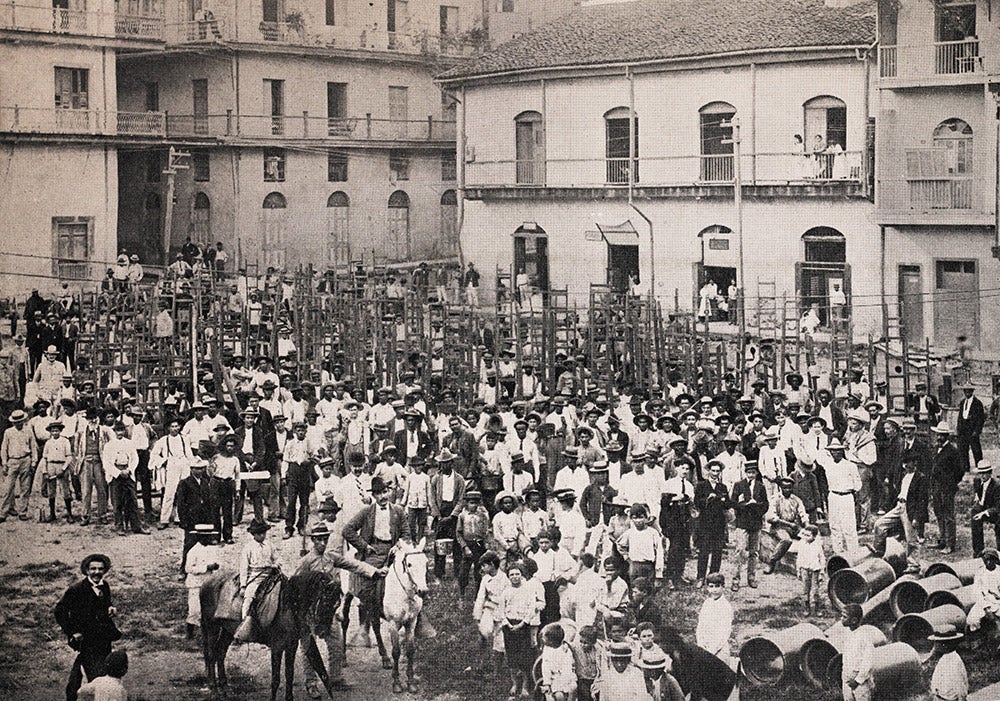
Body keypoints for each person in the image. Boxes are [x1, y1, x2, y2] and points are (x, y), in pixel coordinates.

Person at [295, 521, 384, 696]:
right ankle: (311, 682)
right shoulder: (305, 561)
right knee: (308, 647)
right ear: (313, 541)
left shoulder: (332, 557)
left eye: (325, 539)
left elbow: (353, 565)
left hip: (328, 610)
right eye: (319, 540)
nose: (322, 543)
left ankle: (335, 678)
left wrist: (374, 571)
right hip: (310, 611)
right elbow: (295, 583)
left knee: (336, 644)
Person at [54, 553, 123, 701]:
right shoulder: (77, 590)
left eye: (100, 569)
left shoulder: (104, 585)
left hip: (103, 637)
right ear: (86, 570)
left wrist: (110, 607)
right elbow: (60, 611)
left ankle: (76, 696)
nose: (97, 572)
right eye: (93, 569)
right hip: (87, 638)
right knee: (94, 672)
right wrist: (73, 632)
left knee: (91, 670)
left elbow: (105, 602)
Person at [234, 519, 282, 643]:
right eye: (259, 533)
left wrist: (275, 564)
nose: (262, 536)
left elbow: (277, 558)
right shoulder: (248, 548)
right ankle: (245, 626)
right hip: (255, 575)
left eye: (264, 533)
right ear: (253, 534)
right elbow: (243, 567)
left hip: (270, 574)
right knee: (249, 598)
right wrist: (243, 585)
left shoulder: (269, 545)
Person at [498, 561, 539, 700]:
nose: (515, 577)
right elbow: (500, 610)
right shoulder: (506, 592)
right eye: (512, 574)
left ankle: (526, 686)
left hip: (523, 626)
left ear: (522, 575)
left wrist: (522, 623)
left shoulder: (528, 591)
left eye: (517, 574)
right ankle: (515, 683)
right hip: (509, 626)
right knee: (512, 657)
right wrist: (507, 623)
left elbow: (531, 609)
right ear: (508, 577)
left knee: (524, 656)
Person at [730, 460, 768, 589]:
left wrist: (757, 506)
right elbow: (733, 503)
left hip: (755, 523)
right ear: (745, 473)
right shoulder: (738, 485)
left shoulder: (760, 486)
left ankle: (751, 577)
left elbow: (765, 505)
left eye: (753, 472)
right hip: (742, 522)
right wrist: (745, 505)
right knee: (740, 550)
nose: (751, 475)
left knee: (754, 552)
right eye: (748, 472)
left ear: (756, 473)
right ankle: (736, 579)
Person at [818, 439, 860, 554]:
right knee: (835, 525)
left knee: (849, 526)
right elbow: (818, 456)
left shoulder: (850, 465)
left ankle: (853, 553)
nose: (835, 453)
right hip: (833, 496)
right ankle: (838, 552)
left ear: (842, 451)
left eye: (837, 451)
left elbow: (858, 483)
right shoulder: (828, 465)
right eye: (832, 451)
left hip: (846, 496)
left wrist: (852, 491)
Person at [929, 421, 964, 554]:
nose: (939, 437)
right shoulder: (936, 449)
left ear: (947, 436)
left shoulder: (952, 451)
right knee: (939, 513)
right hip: (937, 487)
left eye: (942, 435)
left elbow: (960, 471)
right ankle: (942, 540)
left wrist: (950, 483)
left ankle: (950, 544)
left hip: (947, 487)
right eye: (938, 434)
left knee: (948, 515)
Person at [762, 477, 810, 574]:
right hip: (779, 527)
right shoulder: (775, 499)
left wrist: (807, 526)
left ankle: (809, 565)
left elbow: (803, 514)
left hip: (793, 526)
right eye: (784, 488)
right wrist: (788, 524)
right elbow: (771, 518)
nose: (787, 490)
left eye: (789, 488)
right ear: (780, 488)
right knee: (786, 540)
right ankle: (772, 562)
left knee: (810, 537)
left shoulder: (796, 500)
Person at [176, 458, 215, 575]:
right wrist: (184, 520)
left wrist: (210, 519)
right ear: (191, 469)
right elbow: (181, 504)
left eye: (201, 469)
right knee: (190, 544)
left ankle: (203, 568)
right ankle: (184, 569)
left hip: (204, 518)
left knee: (204, 542)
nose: (198, 471)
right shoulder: (184, 483)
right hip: (191, 519)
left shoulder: (205, 482)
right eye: (196, 469)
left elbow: (208, 502)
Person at [694, 460, 730, 586]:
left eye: (717, 471)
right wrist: (707, 499)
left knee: (717, 551)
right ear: (709, 471)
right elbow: (697, 502)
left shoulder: (723, 487)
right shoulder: (701, 485)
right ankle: (700, 577)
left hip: (719, 523)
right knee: (704, 550)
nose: (715, 473)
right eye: (713, 470)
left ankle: (713, 577)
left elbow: (727, 504)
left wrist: (722, 499)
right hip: (705, 523)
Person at [184, 524, 221, 639]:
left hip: (208, 583)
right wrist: (205, 567)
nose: (209, 539)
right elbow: (188, 568)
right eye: (205, 537)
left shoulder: (212, 549)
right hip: (195, 584)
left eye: (209, 536)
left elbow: (216, 562)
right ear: (199, 538)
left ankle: (207, 632)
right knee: (195, 609)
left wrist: (215, 566)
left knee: (209, 609)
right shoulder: (193, 551)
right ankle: (189, 633)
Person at [0, 408, 38, 522]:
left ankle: (23, 512)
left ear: (24, 421)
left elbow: (33, 447)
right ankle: (3, 512)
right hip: (12, 461)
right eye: (16, 422)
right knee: (8, 488)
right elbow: (3, 449)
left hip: (25, 460)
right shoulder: (8, 432)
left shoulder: (28, 431)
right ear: (13, 422)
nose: (18, 424)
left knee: (25, 488)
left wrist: (33, 462)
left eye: (20, 421)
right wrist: (4, 463)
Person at [457, 490, 492, 596]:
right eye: (471, 503)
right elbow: (458, 533)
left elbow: (486, 531)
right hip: (468, 545)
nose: (474, 505)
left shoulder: (482, 515)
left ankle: (478, 595)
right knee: (464, 571)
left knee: (479, 570)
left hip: (479, 545)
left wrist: (487, 545)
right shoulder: (462, 516)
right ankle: (461, 594)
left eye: (476, 503)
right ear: (466, 503)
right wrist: (465, 547)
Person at [840, 604, 874, 701]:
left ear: (854, 620)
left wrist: (858, 680)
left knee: (861, 697)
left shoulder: (864, 637)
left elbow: (868, 661)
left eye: (844, 617)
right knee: (848, 698)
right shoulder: (847, 633)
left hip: (860, 679)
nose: (841, 619)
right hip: (847, 675)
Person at [695, 573, 732, 661]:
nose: (714, 590)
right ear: (707, 587)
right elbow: (700, 625)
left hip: (719, 649)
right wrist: (701, 644)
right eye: (711, 586)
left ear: (723, 587)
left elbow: (724, 632)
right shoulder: (707, 603)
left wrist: (711, 651)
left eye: (717, 586)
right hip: (705, 646)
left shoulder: (725, 606)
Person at [966, 548, 1000, 638]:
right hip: (984, 601)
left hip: (998, 601)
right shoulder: (979, 572)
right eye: (986, 560)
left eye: (991, 559)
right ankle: (978, 641)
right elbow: (977, 592)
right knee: (972, 620)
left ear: (995, 560)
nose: (988, 562)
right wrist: (986, 608)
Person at [539, 622, 577, 701]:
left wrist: (564, 685)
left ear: (551, 641)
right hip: (554, 677)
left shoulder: (565, 651)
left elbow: (567, 670)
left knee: (573, 689)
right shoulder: (547, 649)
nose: (542, 639)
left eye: (545, 637)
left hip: (567, 677)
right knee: (559, 696)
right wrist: (547, 683)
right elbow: (545, 667)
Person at [928, 626, 968, 701]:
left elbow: (959, 685)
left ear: (944, 645)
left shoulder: (954, 662)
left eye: (936, 643)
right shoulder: (944, 658)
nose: (934, 646)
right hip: (940, 697)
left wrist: (961, 698)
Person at [971, 460, 1000, 557]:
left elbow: (997, 507)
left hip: (995, 512)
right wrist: (976, 497)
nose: (982, 476)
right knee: (974, 513)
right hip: (984, 507)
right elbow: (977, 492)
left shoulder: (996, 486)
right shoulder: (977, 481)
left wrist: (985, 512)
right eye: (980, 473)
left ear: (990, 473)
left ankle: (999, 552)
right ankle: (978, 550)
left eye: (985, 473)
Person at [796, 524, 825, 614]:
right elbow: (799, 558)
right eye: (805, 535)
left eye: (808, 535)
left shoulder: (817, 545)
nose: (806, 537)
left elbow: (822, 558)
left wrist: (822, 571)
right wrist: (798, 570)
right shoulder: (801, 544)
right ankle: (806, 607)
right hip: (804, 568)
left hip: (815, 569)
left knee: (815, 589)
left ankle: (817, 608)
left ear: (814, 536)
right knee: (805, 588)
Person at [956, 382, 985, 469]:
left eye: (969, 391)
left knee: (976, 449)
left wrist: (977, 431)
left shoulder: (977, 403)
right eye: (966, 391)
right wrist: (958, 428)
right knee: (963, 449)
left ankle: (980, 466)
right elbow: (960, 416)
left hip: (972, 430)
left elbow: (980, 419)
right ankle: (965, 467)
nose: (967, 393)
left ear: (972, 392)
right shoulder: (962, 402)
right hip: (963, 430)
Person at [570, 625, 598, 701]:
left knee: (596, 695)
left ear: (593, 642)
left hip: (594, 679)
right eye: (581, 641)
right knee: (584, 696)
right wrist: (565, 645)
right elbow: (569, 644)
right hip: (582, 679)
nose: (582, 644)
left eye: (586, 643)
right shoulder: (576, 648)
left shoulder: (597, 650)